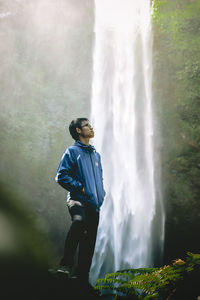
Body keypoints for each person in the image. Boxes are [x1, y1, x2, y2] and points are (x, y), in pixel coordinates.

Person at [55, 118, 105, 283]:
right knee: (78, 221)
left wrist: (101, 195)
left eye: (91, 125)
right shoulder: (72, 152)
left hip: (94, 204)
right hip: (77, 200)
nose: (91, 127)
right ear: (78, 130)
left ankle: (82, 277)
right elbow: (61, 176)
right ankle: (65, 266)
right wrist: (79, 187)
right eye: (87, 125)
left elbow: (100, 179)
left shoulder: (96, 155)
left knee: (89, 242)